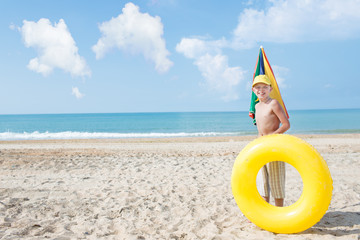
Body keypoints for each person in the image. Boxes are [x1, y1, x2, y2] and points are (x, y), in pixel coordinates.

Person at [252, 74, 290, 207]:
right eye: (257, 87)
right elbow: (260, 129)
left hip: (274, 146)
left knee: (276, 182)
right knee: (263, 182)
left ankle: (278, 211)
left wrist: (272, 136)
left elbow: (286, 124)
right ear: (253, 90)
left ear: (270, 89)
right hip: (262, 146)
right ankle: (265, 213)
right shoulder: (257, 106)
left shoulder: (273, 103)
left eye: (264, 87)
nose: (261, 90)